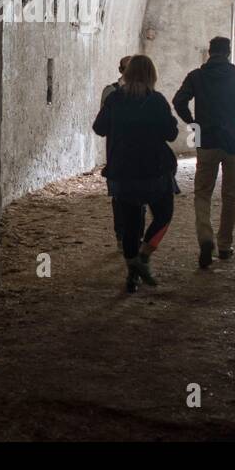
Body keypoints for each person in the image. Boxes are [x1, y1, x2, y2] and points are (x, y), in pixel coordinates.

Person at [92, 55, 181, 292]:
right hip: (154, 170)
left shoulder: (115, 99)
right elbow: (171, 134)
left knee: (131, 224)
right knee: (163, 215)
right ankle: (144, 255)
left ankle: (132, 275)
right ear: (152, 75)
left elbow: (98, 128)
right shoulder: (156, 100)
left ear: (127, 73)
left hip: (123, 171)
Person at [172, 36, 235, 268]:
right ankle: (224, 246)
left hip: (206, 139)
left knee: (202, 193)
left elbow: (179, 100)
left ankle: (205, 239)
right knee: (230, 196)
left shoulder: (196, 77)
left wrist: (193, 123)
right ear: (229, 53)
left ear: (209, 52)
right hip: (233, 142)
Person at [100, 55, 132, 249]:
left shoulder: (145, 94)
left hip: (124, 153)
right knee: (120, 197)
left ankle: (130, 237)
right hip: (118, 153)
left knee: (131, 196)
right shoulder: (111, 92)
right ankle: (122, 235)